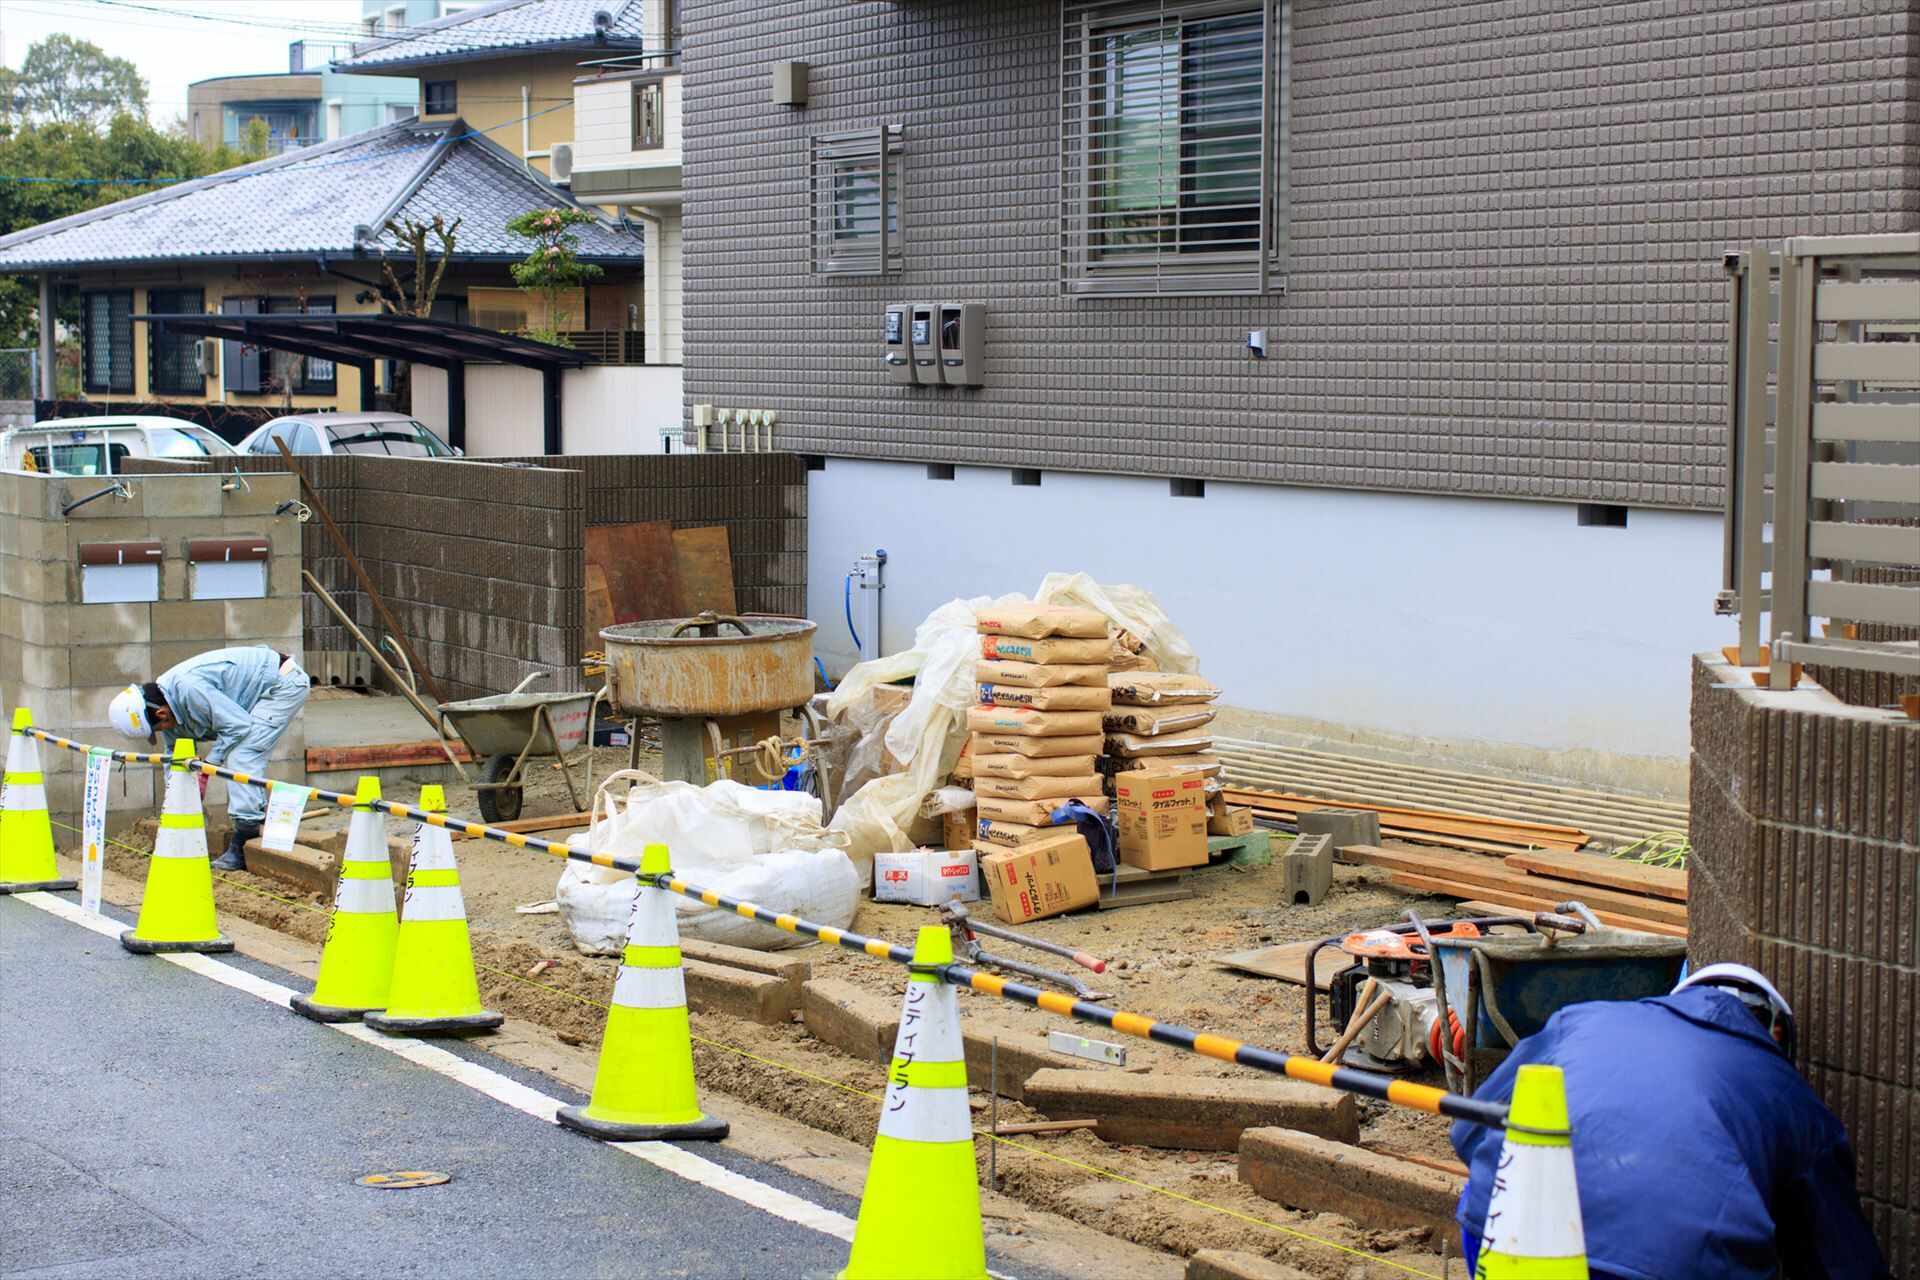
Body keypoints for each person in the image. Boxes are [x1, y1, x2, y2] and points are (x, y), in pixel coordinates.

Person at [1451, 962, 1889, 1279]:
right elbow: (1841, 1262)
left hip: (1502, 1234)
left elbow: (1470, 1129)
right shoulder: (1789, 1096)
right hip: (1670, 1266)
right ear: (1775, 1035)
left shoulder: (1581, 1020)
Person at [108, 646, 310, 871]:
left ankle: (243, 841)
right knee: (240, 751)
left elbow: (237, 726)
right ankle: (256, 816)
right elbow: (175, 752)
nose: (163, 732)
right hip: (259, 689)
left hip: (282, 685)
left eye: (159, 728)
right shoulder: (165, 701)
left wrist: (206, 768)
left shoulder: (189, 689)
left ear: (161, 714)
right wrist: (175, 797)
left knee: (242, 754)